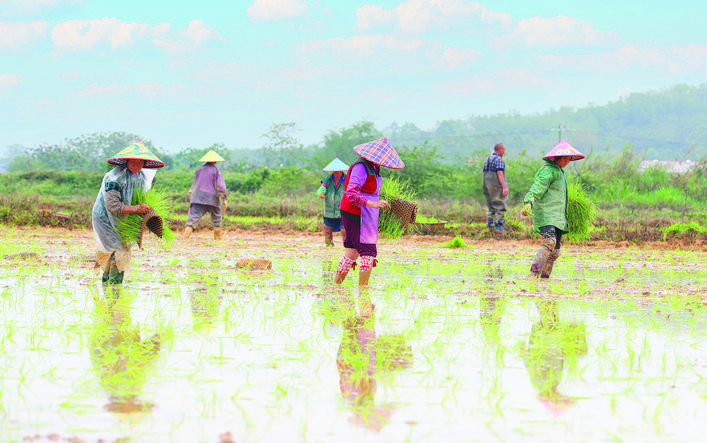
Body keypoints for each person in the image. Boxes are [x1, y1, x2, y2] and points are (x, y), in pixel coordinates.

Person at [92, 141, 165, 285]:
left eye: (140, 162)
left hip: (122, 217)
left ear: (144, 163)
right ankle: (114, 287)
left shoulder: (141, 177)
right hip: (105, 218)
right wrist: (136, 209)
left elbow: (139, 197)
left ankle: (107, 285)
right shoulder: (115, 178)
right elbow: (112, 206)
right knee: (118, 250)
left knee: (116, 249)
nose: (137, 165)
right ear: (126, 161)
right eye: (134, 161)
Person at [335, 137, 404, 286]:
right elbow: (352, 193)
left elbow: (369, 190)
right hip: (355, 212)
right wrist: (373, 204)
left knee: (352, 251)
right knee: (368, 251)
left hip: (364, 213)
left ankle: (336, 287)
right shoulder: (361, 166)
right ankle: (363, 290)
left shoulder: (374, 167)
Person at [521, 140, 585, 279]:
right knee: (549, 242)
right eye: (565, 158)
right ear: (556, 157)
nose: (567, 161)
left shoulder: (561, 172)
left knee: (555, 252)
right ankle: (533, 273)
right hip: (546, 214)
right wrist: (529, 202)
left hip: (558, 217)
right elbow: (538, 187)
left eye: (569, 159)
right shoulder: (548, 171)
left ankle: (544, 277)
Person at [183, 150, 228, 240]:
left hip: (197, 198)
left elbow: (193, 185)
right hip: (212, 199)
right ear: (215, 161)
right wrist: (224, 199)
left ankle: (185, 239)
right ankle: (217, 240)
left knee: (192, 219)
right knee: (217, 219)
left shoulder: (198, 170)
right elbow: (220, 187)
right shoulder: (216, 171)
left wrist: (191, 194)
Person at [316, 157, 348, 247]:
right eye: (334, 170)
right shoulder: (327, 179)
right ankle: (328, 245)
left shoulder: (347, 180)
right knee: (327, 229)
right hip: (330, 209)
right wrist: (321, 192)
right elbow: (322, 187)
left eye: (337, 170)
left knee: (344, 228)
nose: (336, 172)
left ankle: (346, 245)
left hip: (343, 209)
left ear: (341, 170)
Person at [482, 142, 509, 232]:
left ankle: (489, 226)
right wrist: (504, 187)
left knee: (490, 207)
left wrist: (487, 186)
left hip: (486, 186)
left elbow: (483, 174)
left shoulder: (487, 160)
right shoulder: (499, 160)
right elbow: (500, 173)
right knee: (500, 205)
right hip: (496, 186)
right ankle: (499, 227)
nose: (504, 152)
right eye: (504, 150)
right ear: (500, 150)